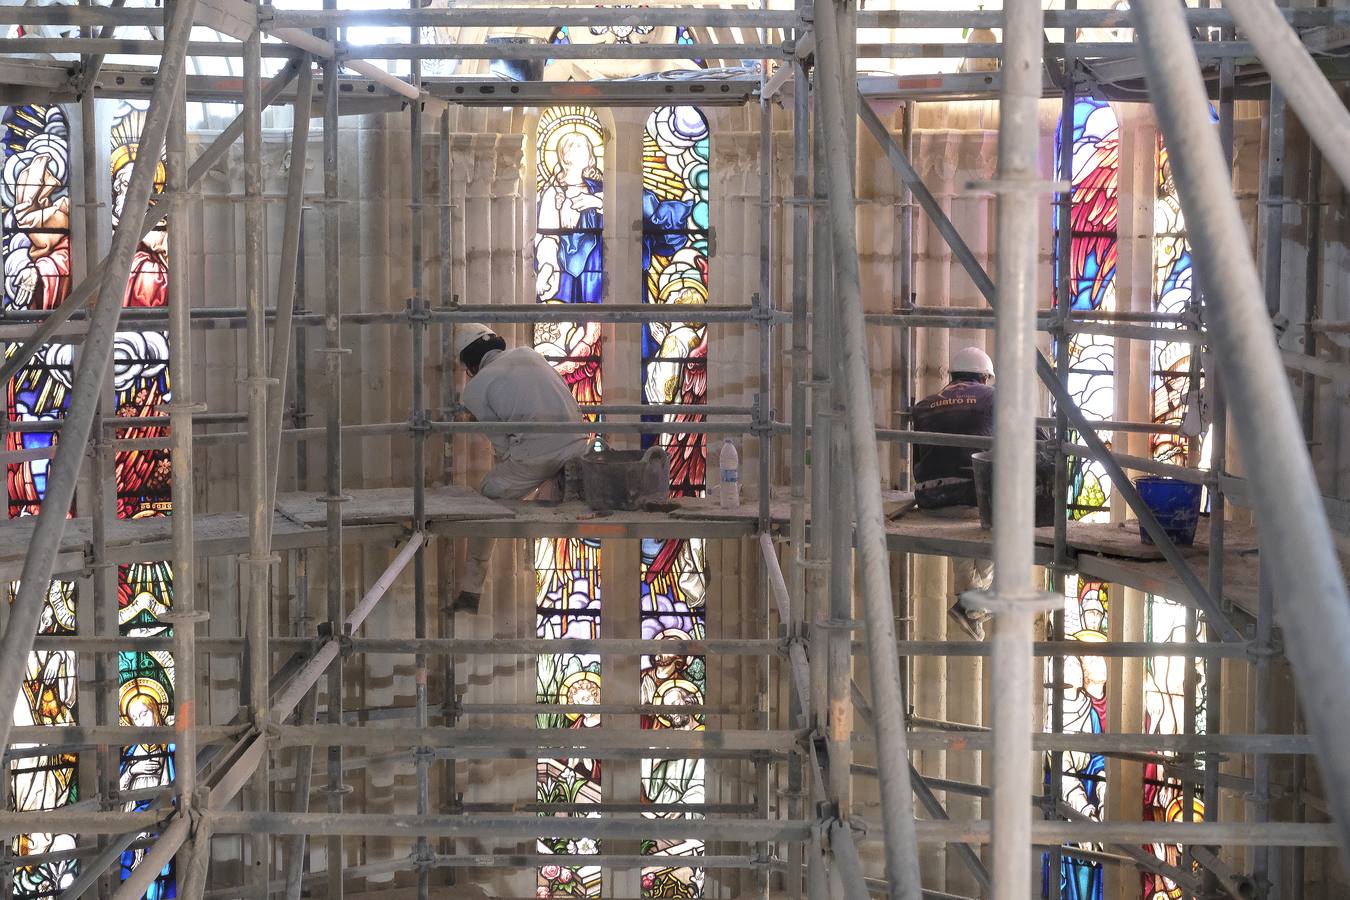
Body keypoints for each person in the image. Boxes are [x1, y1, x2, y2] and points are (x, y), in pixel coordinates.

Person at [452, 323, 589, 614]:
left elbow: (502, 446)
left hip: (536, 456)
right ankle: (564, 485)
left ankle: (470, 591)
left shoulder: (474, 389)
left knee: (489, 495)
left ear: (470, 363)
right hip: (578, 445)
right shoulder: (530, 353)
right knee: (543, 479)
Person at [912, 346, 998, 640]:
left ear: (952, 376)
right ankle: (973, 606)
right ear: (985, 377)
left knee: (962, 523)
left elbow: (918, 459)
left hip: (929, 498)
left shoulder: (923, 405)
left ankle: (972, 607)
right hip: (972, 497)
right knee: (1001, 520)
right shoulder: (993, 397)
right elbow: (1037, 437)